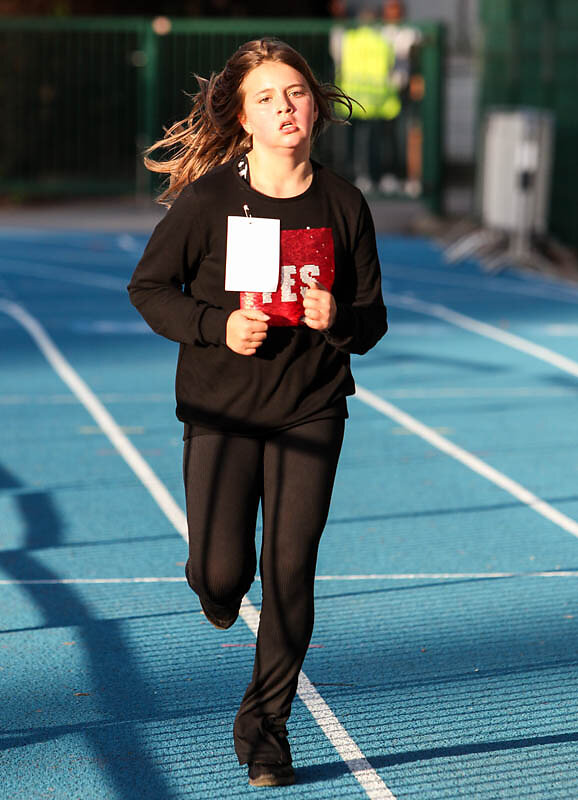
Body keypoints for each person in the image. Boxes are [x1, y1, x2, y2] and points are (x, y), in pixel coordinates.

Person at [127, 37, 387, 788]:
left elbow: (371, 321)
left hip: (311, 407)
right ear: (243, 118)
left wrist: (337, 317)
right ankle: (214, 586)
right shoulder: (210, 200)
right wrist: (216, 326)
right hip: (222, 407)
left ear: (316, 107)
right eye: (267, 98)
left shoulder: (344, 204)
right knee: (222, 572)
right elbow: (150, 289)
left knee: (291, 570)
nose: (285, 108)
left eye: (296, 93)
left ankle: (267, 731)